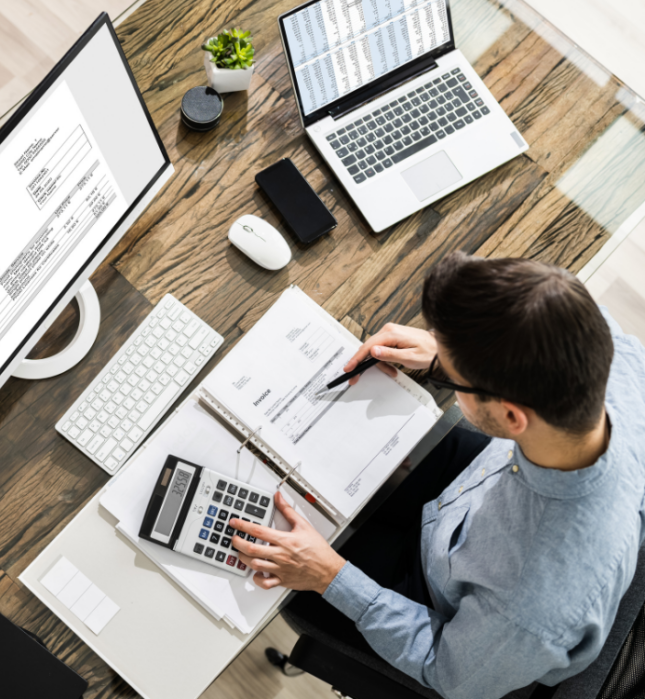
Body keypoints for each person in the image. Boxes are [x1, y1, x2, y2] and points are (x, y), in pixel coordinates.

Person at [227, 251, 645, 699]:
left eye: (458, 379)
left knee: (270, 553)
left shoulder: (532, 602)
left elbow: (448, 673)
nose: (447, 372)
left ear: (511, 414)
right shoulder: (614, 353)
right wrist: (447, 355)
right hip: (478, 489)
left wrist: (329, 576)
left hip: (440, 604)